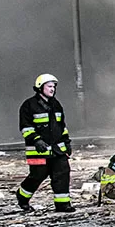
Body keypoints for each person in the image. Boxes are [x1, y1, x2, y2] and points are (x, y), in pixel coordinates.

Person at [17, 73, 74, 212]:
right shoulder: (28, 105)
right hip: (38, 150)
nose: (52, 89)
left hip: (57, 149)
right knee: (38, 176)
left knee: (62, 174)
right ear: (40, 87)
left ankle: (62, 204)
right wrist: (36, 140)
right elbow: (25, 128)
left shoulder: (56, 104)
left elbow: (62, 126)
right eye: (49, 86)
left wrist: (67, 142)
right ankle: (22, 197)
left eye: (54, 86)